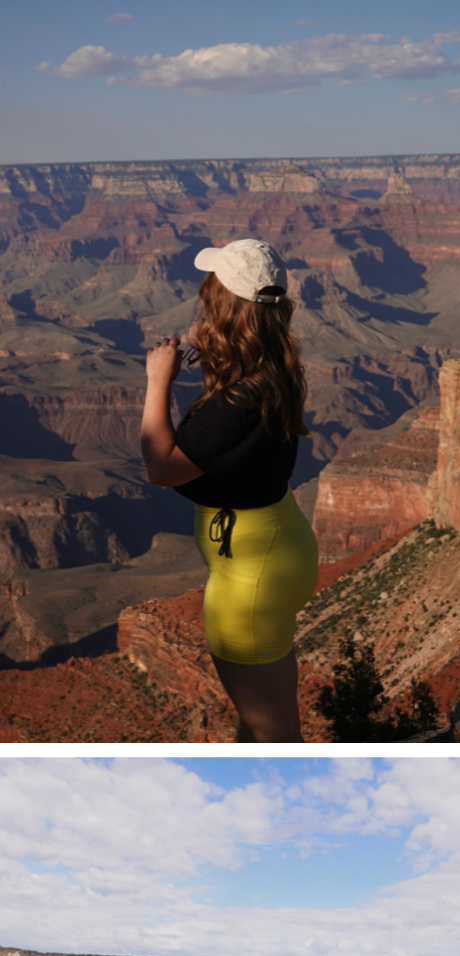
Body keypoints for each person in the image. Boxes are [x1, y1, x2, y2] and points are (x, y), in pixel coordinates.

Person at [141, 239, 317, 742]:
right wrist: (210, 350)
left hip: (248, 580)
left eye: (210, 295)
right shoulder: (275, 367)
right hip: (278, 549)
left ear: (223, 308)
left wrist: (158, 380)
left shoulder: (239, 399)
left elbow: (162, 467)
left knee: (268, 731)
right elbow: (230, 423)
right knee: (272, 717)